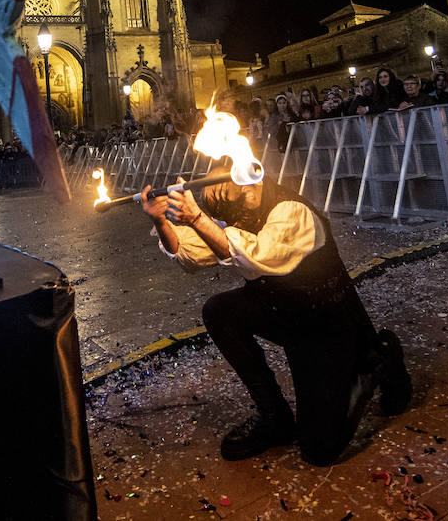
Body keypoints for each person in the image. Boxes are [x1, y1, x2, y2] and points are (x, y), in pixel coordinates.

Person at [139, 173, 410, 465]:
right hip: (288, 317)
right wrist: (161, 221)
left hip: (327, 326)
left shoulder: (290, 211)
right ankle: (275, 418)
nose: (243, 190)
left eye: (231, 187)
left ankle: (376, 361)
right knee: (220, 311)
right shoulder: (239, 218)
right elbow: (188, 252)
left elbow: (259, 255)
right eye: (225, 200)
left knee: (319, 451)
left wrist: (195, 217)